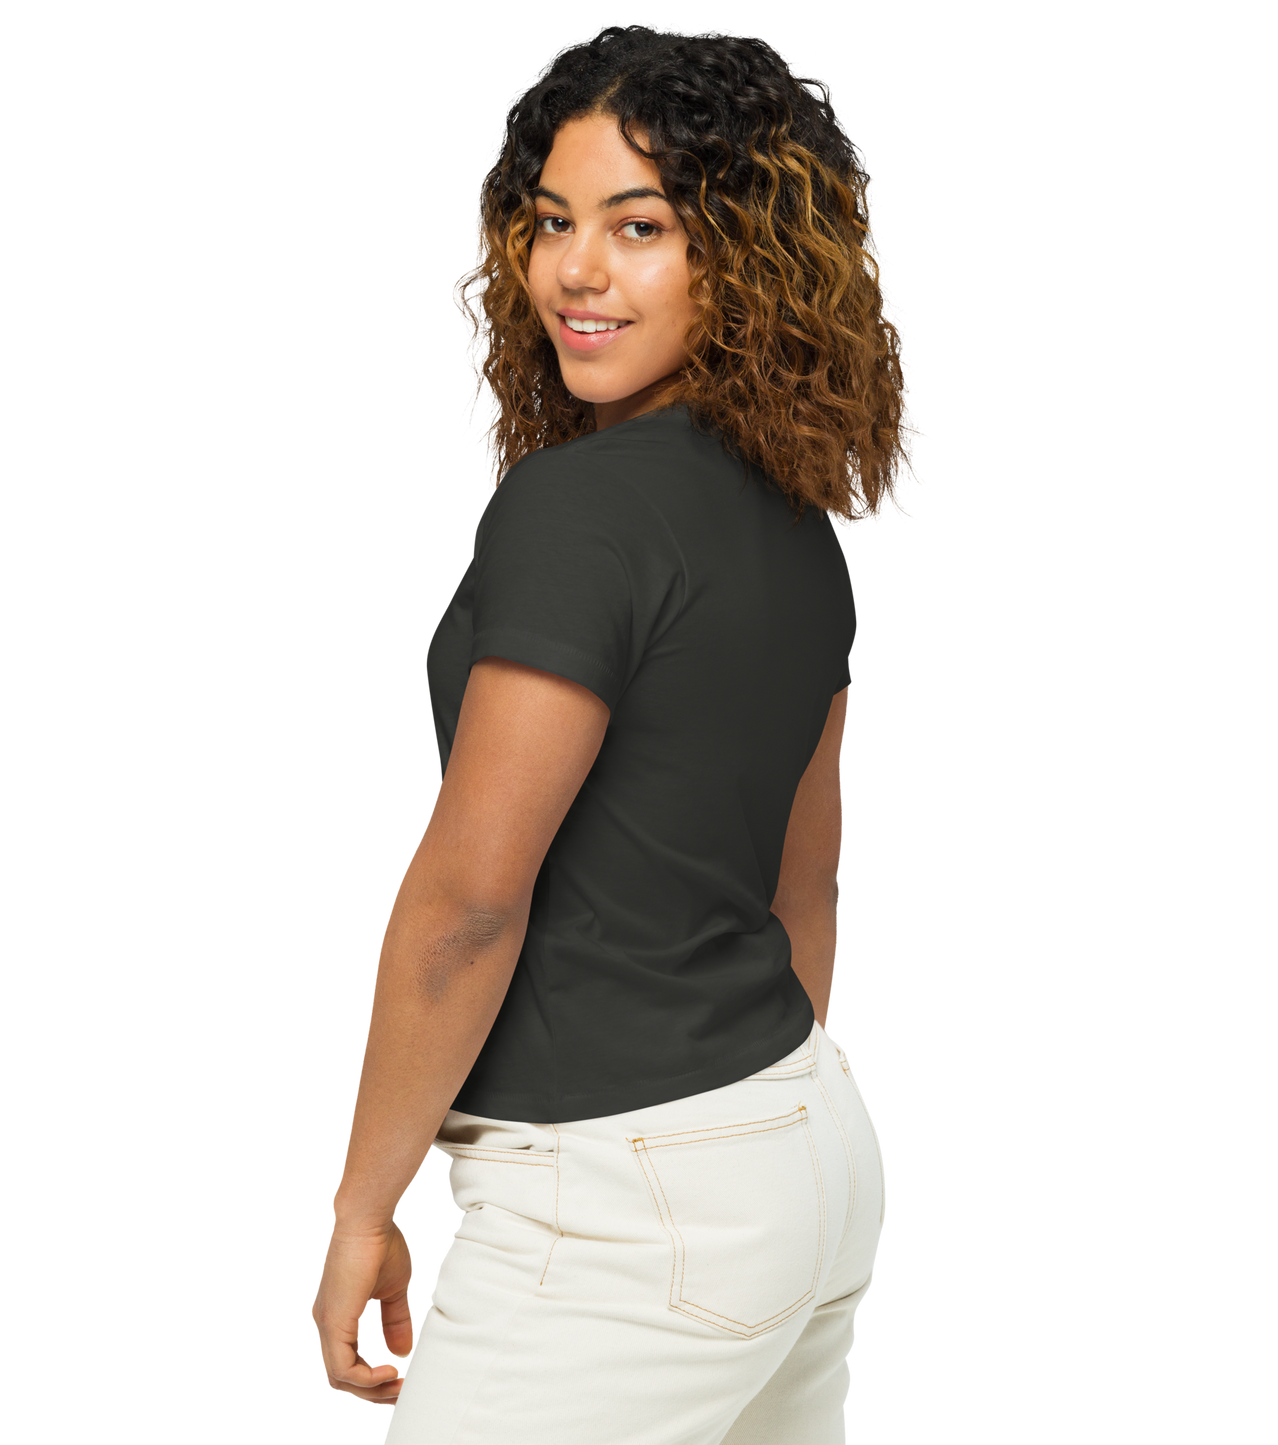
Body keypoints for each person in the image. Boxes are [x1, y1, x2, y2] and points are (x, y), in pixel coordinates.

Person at [309, 18, 929, 1443]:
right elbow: (804, 889)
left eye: (639, 227)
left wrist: (361, 1206)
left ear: (749, 254)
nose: (575, 272)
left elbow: (470, 902)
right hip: (804, 1140)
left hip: (618, 1205)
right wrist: (751, 1149)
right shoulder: (804, 528)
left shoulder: (574, 512)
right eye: (552, 222)